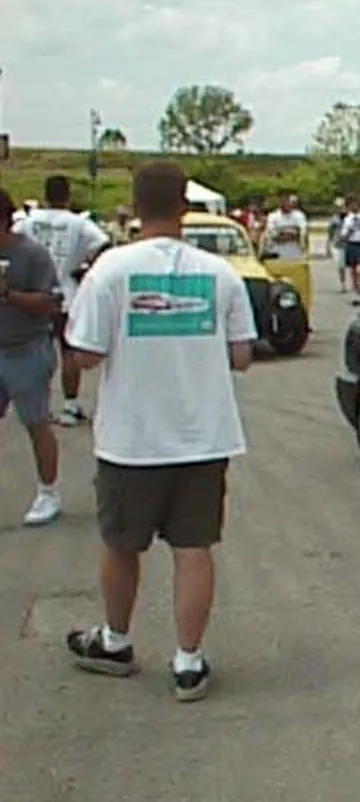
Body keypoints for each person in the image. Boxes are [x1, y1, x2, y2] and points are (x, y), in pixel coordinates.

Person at [62, 161, 257, 702]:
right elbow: (242, 356)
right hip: (203, 436)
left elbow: (87, 354)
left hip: (132, 440)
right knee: (194, 547)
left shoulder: (110, 270)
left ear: (134, 206)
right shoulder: (220, 274)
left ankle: (116, 641)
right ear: (184, 206)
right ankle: (188, 662)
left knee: (121, 544)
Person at [15, 175, 110, 426]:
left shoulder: (29, 222)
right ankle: (69, 406)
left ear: (45, 195)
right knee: (69, 352)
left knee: (35, 351)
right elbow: (103, 245)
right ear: (68, 196)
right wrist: (86, 268)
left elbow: (12, 241)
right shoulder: (78, 223)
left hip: (34, 294)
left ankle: (39, 405)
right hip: (66, 293)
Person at [0, 188, 64, 526]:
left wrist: (9, 295)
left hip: (26, 348)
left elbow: (50, 304)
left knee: (36, 422)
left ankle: (48, 492)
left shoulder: (32, 255)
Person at [264, 194, 308, 260]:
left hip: (295, 248)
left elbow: (303, 231)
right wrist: (282, 236)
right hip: (277, 248)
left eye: (288, 202)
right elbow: (271, 231)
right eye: (284, 202)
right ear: (280, 204)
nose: (287, 204)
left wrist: (293, 236)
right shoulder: (273, 216)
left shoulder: (299, 215)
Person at [327, 198, 348, 292]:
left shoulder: (350, 217)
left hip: (350, 243)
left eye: (341, 206)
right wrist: (328, 245)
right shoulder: (334, 219)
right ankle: (343, 284)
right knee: (341, 266)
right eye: (338, 207)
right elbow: (330, 233)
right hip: (338, 244)